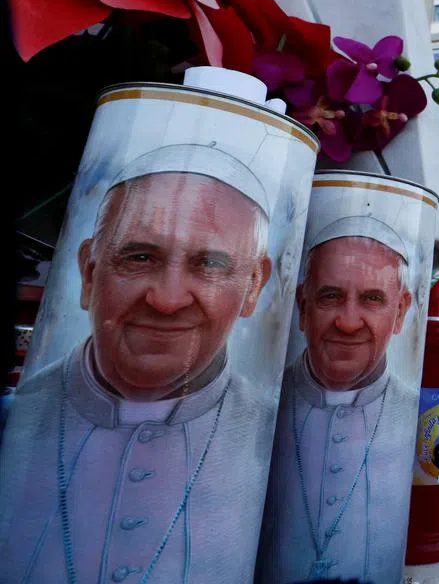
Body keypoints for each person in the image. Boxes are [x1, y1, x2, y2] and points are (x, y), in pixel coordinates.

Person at [0, 145, 275, 584]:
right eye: (139, 257)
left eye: (210, 263)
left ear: (253, 285)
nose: (166, 300)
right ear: (90, 272)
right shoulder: (12, 420)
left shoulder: (277, 434)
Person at [257, 217, 418, 584]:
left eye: (372, 299)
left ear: (400, 311)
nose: (348, 322)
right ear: (302, 305)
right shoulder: (260, 407)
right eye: (330, 296)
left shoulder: (416, 413)